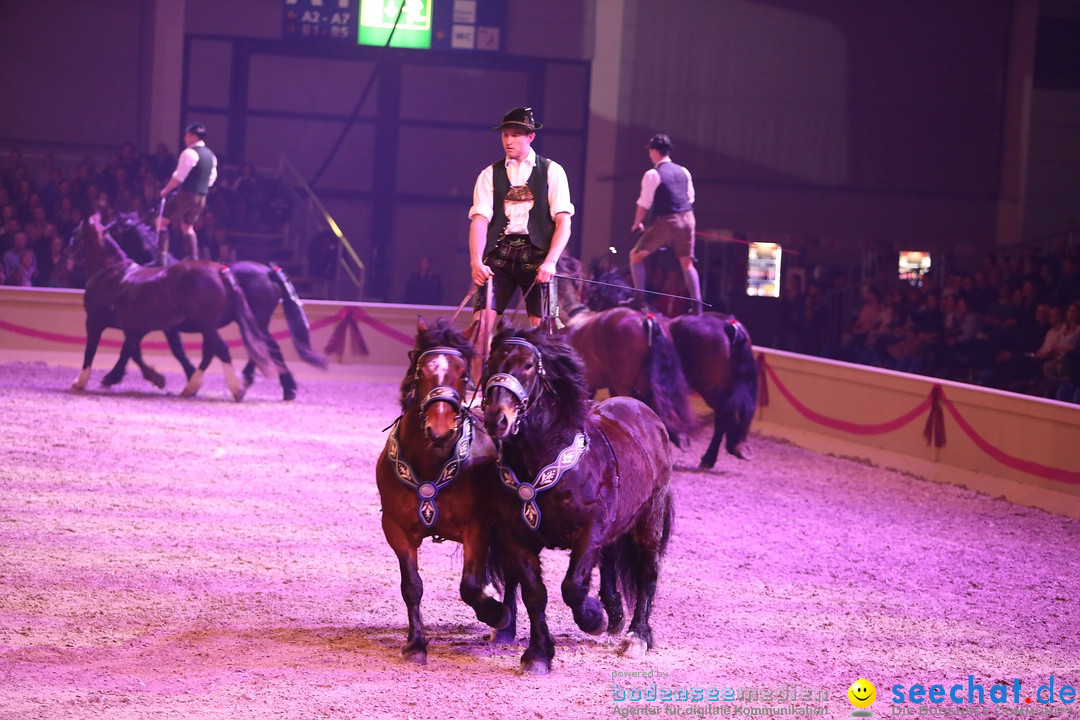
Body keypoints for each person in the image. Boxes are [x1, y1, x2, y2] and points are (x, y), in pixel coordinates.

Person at [468, 106, 574, 333]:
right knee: (480, 328)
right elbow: (479, 221)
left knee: (542, 331)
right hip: (499, 258)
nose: (508, 140)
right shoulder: (489, 174)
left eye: (515, 135)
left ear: (530, 137)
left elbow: (563, 222)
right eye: (505, 135)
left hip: (538, 259)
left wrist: (551, 261)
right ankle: (482, 367)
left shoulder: (552, 171)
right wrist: (476, 261)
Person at [628, 133, 702, 313]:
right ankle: (697, 305)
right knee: (687, 264)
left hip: (668, 221)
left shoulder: (653, 174)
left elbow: (644, 203)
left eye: (650, 151)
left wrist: (637, 223)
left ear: (654, 151)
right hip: (688, 218)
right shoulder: (684, 171)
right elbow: (690, 198)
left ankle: (639, 299)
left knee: (635, 255)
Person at [156, 122, 218, 264]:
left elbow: (178, 177)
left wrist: (165, 191)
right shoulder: (211, 155)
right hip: (202, 197)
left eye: (187, 135)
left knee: (161, 222)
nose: (184, 138)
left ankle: (161, 260)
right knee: (187, 226)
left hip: (187, 195)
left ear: (193, 136)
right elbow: (211, 179)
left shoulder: (189, 153)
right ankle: (193, 258)